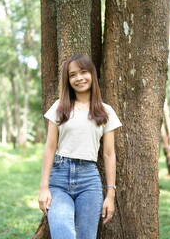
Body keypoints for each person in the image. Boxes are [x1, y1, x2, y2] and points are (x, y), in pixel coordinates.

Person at [38, 54, 122, 239]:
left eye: (83, 72)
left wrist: (111, 194)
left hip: (89, 182)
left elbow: (108, 154)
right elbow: (50, 148)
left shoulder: (106, 111)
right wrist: (44, 187)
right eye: (73, 74)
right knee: (63, 235)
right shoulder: (60, 107)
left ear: (92, 74)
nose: (79, 78)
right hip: (59, 180)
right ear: (68, 80)